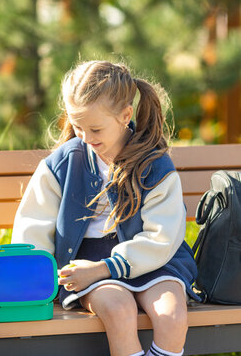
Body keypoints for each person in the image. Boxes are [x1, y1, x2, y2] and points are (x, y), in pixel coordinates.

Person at [12, 60, 200, 356]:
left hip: (153, 259)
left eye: (95, 128)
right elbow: (33, 228)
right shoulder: (62, 164)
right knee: (119, 310)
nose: (85, 137)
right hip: (86, 265)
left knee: (171, 315)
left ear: (126, 115)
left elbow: (161, 237)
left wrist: (110, 267)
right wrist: (41, 279)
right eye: (77, 126)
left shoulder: (154, 164)